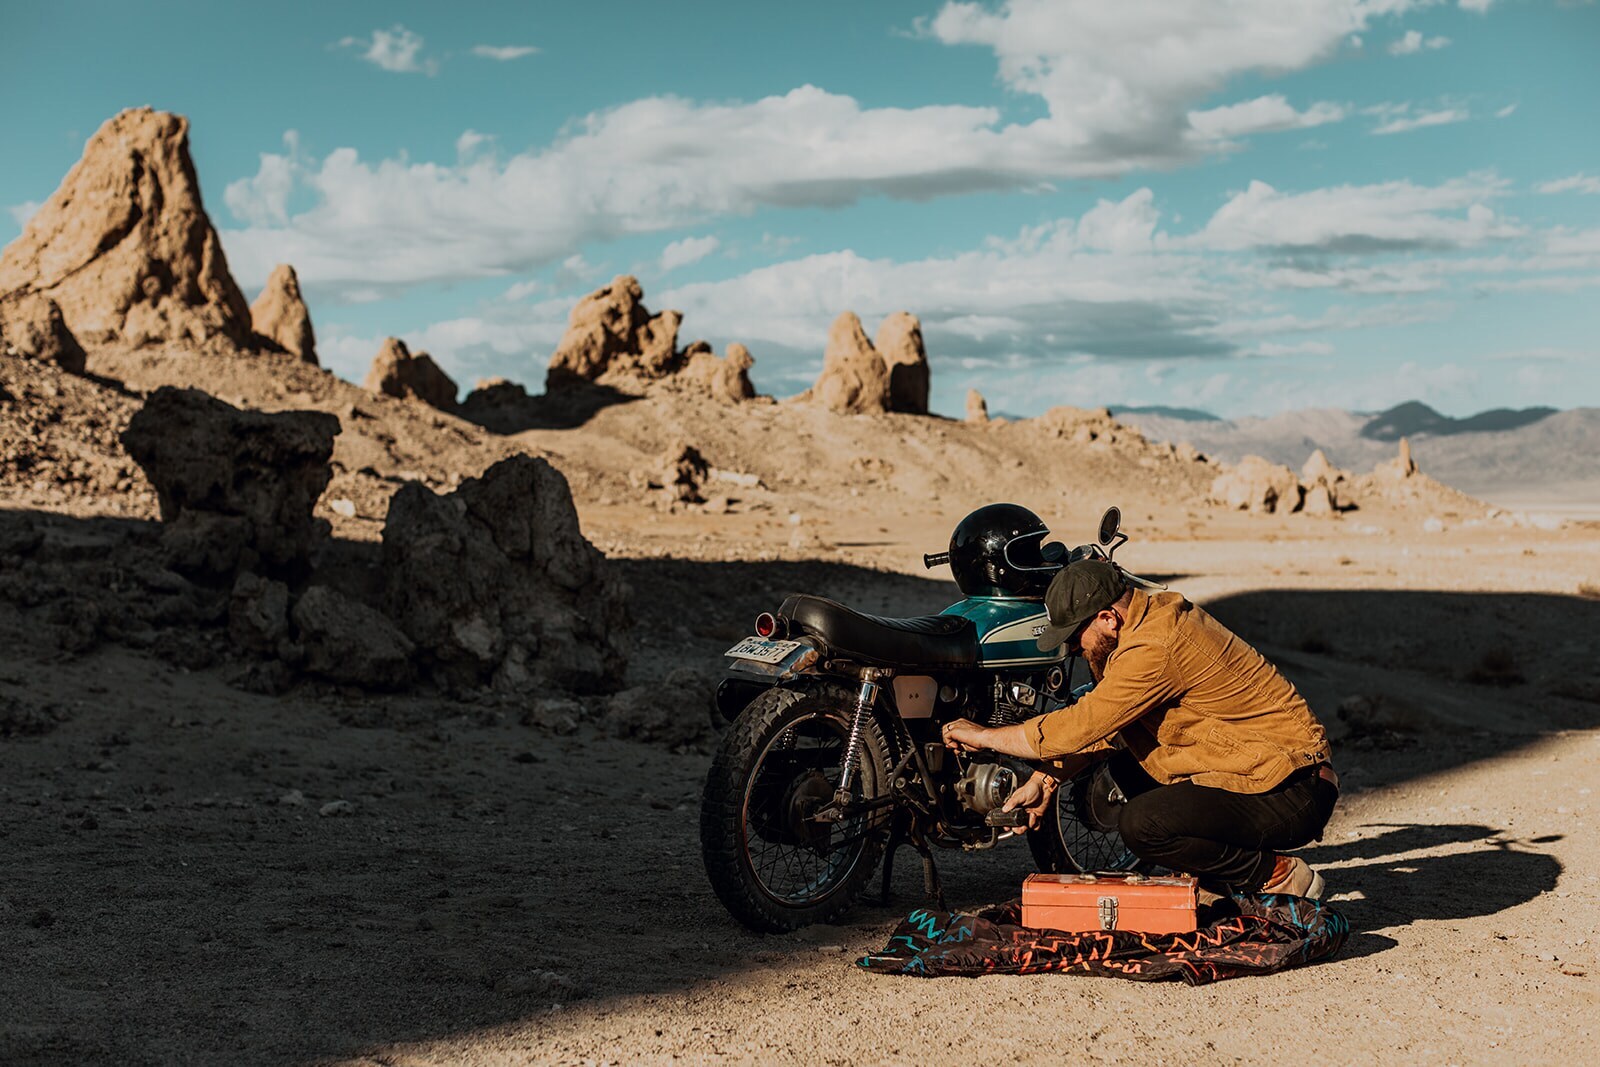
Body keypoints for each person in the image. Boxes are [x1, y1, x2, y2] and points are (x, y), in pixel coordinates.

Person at [941, 559, 1339, 899]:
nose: (1076, 650)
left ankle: (1275, 874)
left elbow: (1079, 726)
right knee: (1132, 765)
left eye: (1077, 638)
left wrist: (982, 736)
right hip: (1259, 771)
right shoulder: (1146, 622)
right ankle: (1219, 880)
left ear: (1108, 618)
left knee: (1142, 826)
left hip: (1293, 788)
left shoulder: (1155, 648)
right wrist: (1045, 783)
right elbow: (1109, 730)